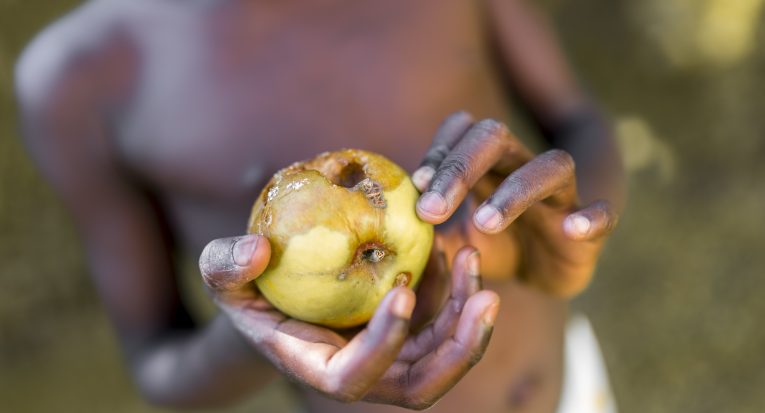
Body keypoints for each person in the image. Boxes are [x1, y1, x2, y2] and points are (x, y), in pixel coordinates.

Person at [15, 0, 624, 411]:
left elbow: (578, 122)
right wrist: (247, 339)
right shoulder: (81, 80)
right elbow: (158, 363)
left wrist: (569, 237)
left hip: (568, 391)